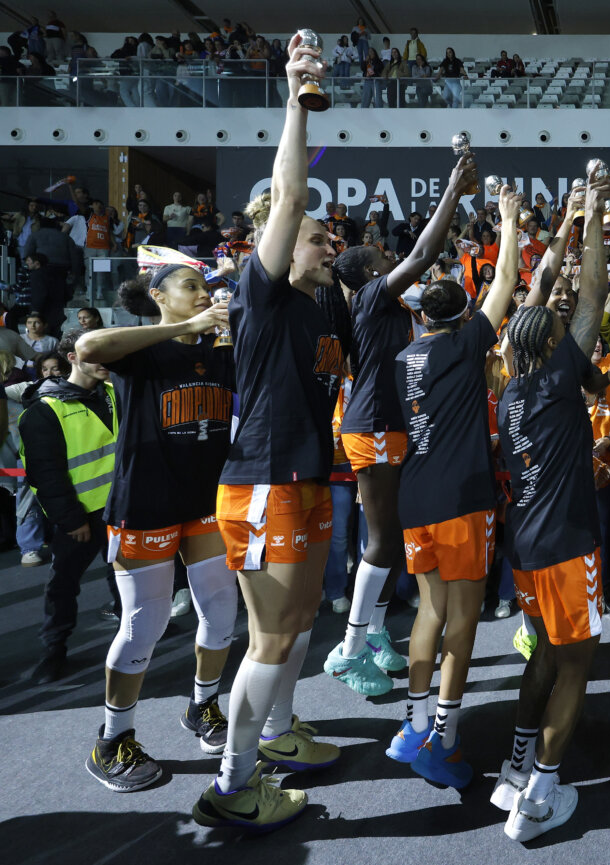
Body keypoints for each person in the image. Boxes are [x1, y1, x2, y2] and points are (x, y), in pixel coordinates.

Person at [192, 33, 344, 833]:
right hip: (263, 483)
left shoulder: (323, 308)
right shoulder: (263, 292)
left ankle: (280, 733)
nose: (327, 242)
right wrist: (295, 96)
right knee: (272, 634)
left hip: (306, 479)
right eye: (319, 237)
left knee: (297, 625)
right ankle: (233, 778)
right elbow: (288, 200)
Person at [73, 262, 237, 792]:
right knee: (146, 620)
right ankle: (112, 739)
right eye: (190, 286)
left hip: (204, 500)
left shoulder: (218, 353)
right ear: (158, 295)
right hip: (144, 501)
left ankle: (203, 706)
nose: (202, 295)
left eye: (206, 287)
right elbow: (89, 346)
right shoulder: (143, 348)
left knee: (221, 610)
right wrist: (182, 327)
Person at [490, 175, 610, 842]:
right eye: (566, 330)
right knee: (575, 665)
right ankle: (538, 795)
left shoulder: (510, 391)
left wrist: (561, 232)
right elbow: (590, 293)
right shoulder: (562, 371)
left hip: (528, 547)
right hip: (567, 545)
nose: (577, 328)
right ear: (553, 345)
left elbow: (537, 298)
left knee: (541, 653)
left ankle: (514, 762)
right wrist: (592, 214)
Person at [325, 151, 476, 698]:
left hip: (390, 424)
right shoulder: (369, 296)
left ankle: (375, 636)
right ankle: (348, 649)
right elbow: (423, 250)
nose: (391, 261)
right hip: (373, 425)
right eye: (381, 258)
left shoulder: (382, 306)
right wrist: (453, 191)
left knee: (390, 538)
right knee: (384, 540)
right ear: (369, 273)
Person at [389, 184, 523, 789]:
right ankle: (442, 741)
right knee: (463, 624)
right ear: (463, 317)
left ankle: (412, 725)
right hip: (463, 498)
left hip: (414, 494)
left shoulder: (404, 358)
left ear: (421, 314)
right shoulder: (469, 344)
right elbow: (505, 287)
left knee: (430, 611)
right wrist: (511, 221)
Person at [18, 328, 120, 685]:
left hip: (123, 509)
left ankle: (134, 633)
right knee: (63, 585)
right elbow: (44, 474)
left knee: (125, 576)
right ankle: (54, 650)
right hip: (81, 517)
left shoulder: (115, 392)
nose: (104, 361)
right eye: (95, 354)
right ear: (71, 359)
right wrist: (70, 518)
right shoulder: (44, 410)